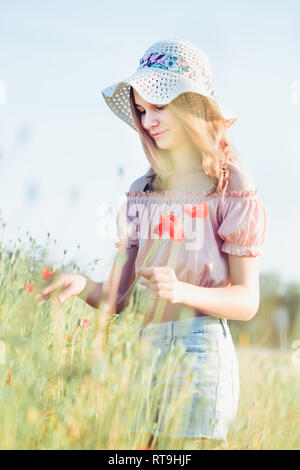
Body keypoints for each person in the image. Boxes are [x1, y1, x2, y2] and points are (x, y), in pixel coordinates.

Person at [36, 39, 268, 450]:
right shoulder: (141, 191)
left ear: (191, 105)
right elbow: (119, 297)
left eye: (159, 106)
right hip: (143, 353)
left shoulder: (230, 187)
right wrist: (81, 284)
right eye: (142, 110)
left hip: (200, 351)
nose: (148, 121)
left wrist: (180, 290)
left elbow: (247, 301)